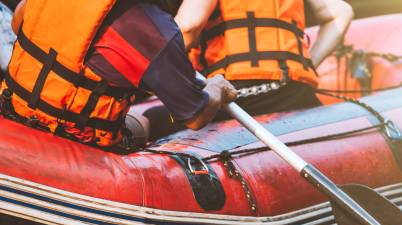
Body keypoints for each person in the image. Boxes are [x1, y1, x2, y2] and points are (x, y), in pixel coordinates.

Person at [0, 0, 237, 150]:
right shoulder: (155, 32)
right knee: (147, 123)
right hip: (76, 143)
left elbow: (18, 22)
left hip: (12, 112)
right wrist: (216, 87)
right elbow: (195, 117)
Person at [177, 0, 354, 117]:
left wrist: (156, 72)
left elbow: (189, 25)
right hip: (296, 92)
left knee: (153, 119)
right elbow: (342, 12)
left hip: (235, 96)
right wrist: (303, 66)